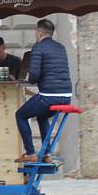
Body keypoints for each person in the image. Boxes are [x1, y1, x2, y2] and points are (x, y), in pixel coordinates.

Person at [14, 19, 73, 163]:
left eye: (36, 31)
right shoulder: (61, 47)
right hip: (66, 96)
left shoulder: (38, 48)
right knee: (42, 116)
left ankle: (30, 153)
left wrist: (30, 79)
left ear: (39, 32)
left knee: (20, 115)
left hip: (49, 96)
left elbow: (34, 75)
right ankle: (47, 154)